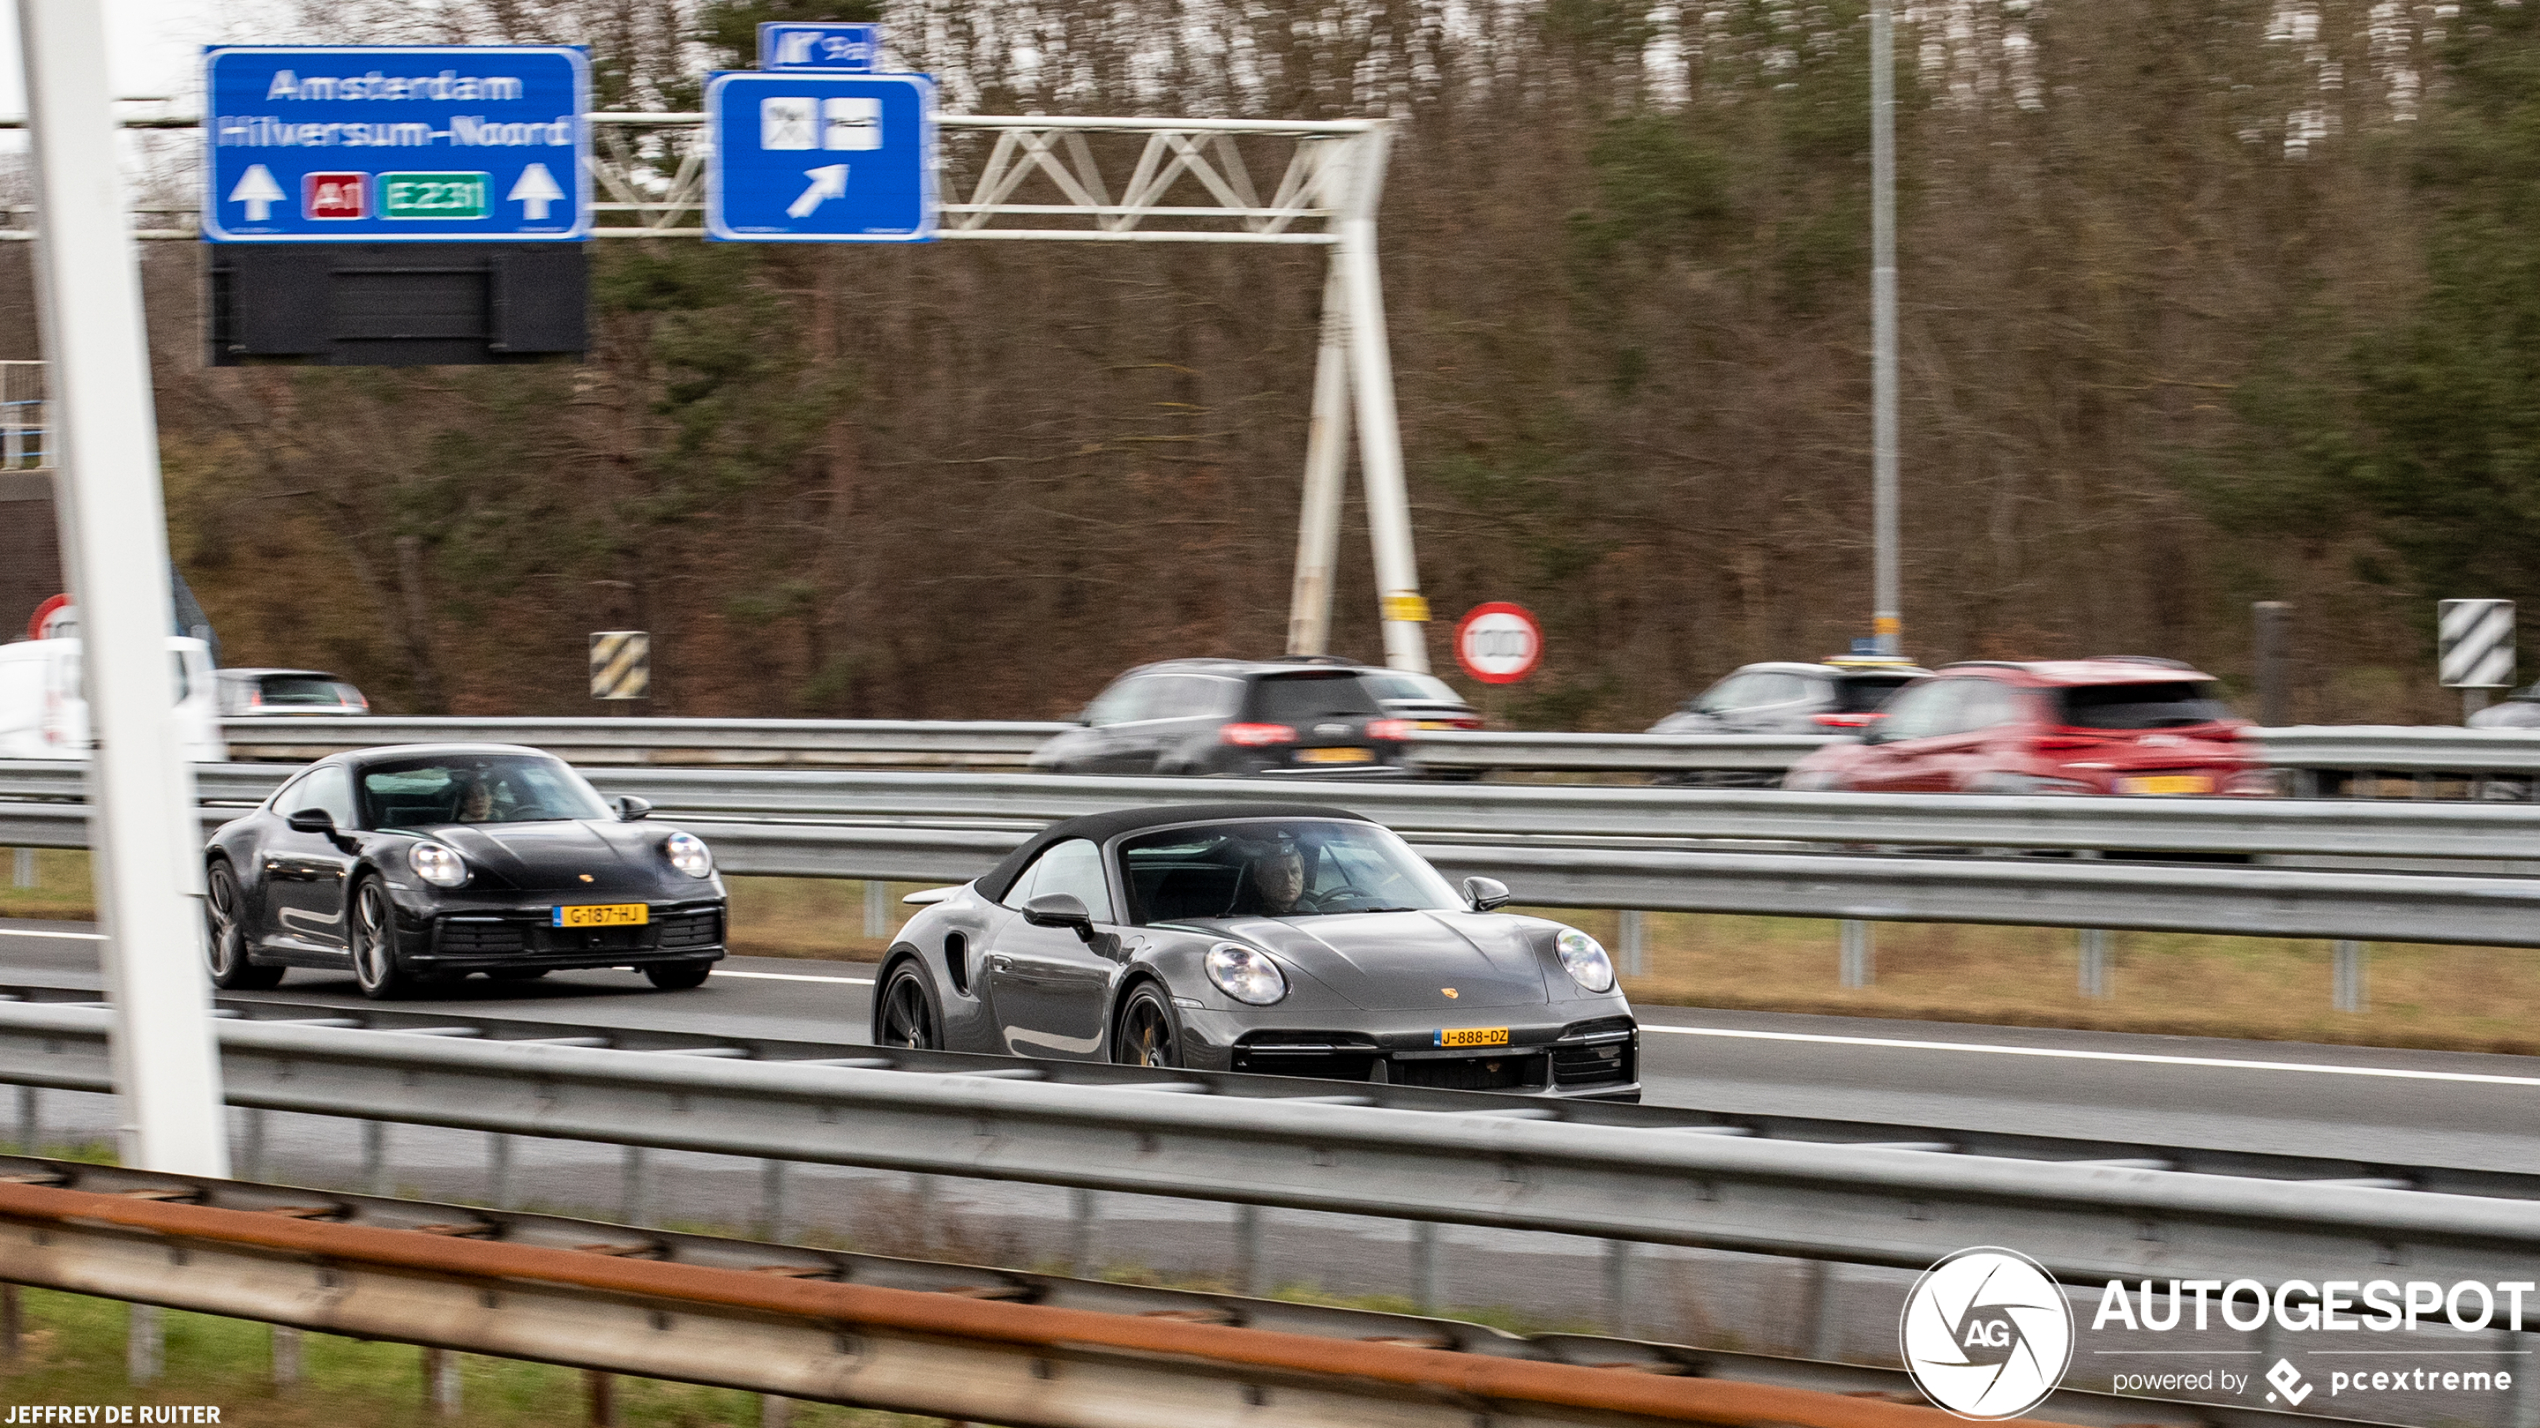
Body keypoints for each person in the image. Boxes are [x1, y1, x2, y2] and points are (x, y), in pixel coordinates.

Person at [1250, 842, 1308, 916]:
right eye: (1279, 874)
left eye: (1294, 872)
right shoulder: (1244, 916)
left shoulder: (1312, 912)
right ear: (1261, 879)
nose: (1289, 879)